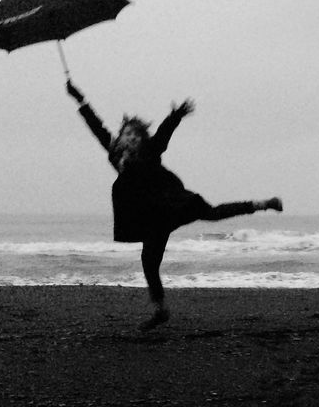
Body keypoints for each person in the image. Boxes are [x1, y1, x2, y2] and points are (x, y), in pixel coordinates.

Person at [66, 81, 282, 328]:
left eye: (136, 135)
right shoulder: (115, 153)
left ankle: (262, 203)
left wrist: (176, 115)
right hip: (149, 219)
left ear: (142, 139)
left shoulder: (151, 150)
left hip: (169, 204)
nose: (131, 138)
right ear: (121, 136)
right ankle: (160, 310)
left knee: (211, 213)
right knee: (149, 261)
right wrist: (80, 100)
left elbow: (163, 133)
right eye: (127, 134)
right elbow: (96, 126)